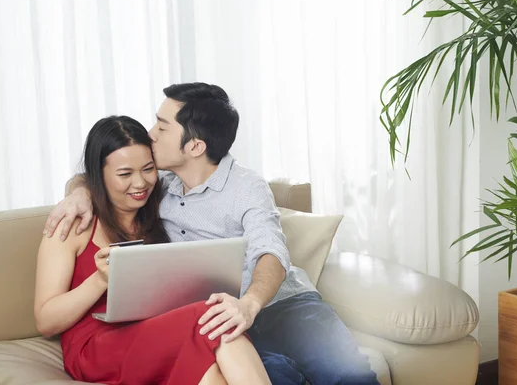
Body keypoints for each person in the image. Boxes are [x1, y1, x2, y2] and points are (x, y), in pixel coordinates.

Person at [44, 83, 380, 384]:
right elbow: (103, 174)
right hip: (220, 315)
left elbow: (270, 251)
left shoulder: (247, 188)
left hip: (281, 304)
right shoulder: (156, 189)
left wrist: (249, 304)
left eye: (161, 126)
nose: (150, 134)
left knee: (348, 376)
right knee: (275, 375)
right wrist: (77, 193)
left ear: (194, 146)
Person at [34, 115, 271, 385]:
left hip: (157, 332)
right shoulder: (73, 224)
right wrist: (100, 280)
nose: (140, 183)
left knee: (213, 369)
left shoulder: (163, 207)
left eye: (148, 169)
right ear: (98, 175)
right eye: (125, 174)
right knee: (211, 316)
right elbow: (45, 321)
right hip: (95, 347)